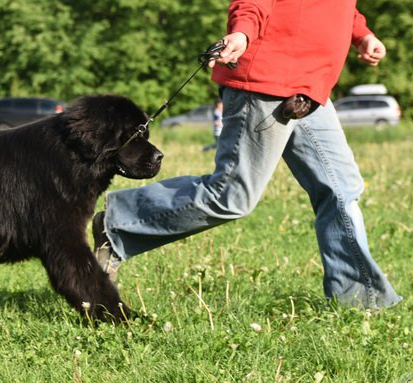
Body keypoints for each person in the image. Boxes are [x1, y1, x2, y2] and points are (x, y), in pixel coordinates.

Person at [93, 0, 401, 309]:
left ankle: (360, 301)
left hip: (311, 88)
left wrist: (362, 34)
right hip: (266, 85)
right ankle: (118, 223)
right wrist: (241, 32)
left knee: (340, 190)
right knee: (230, 196)